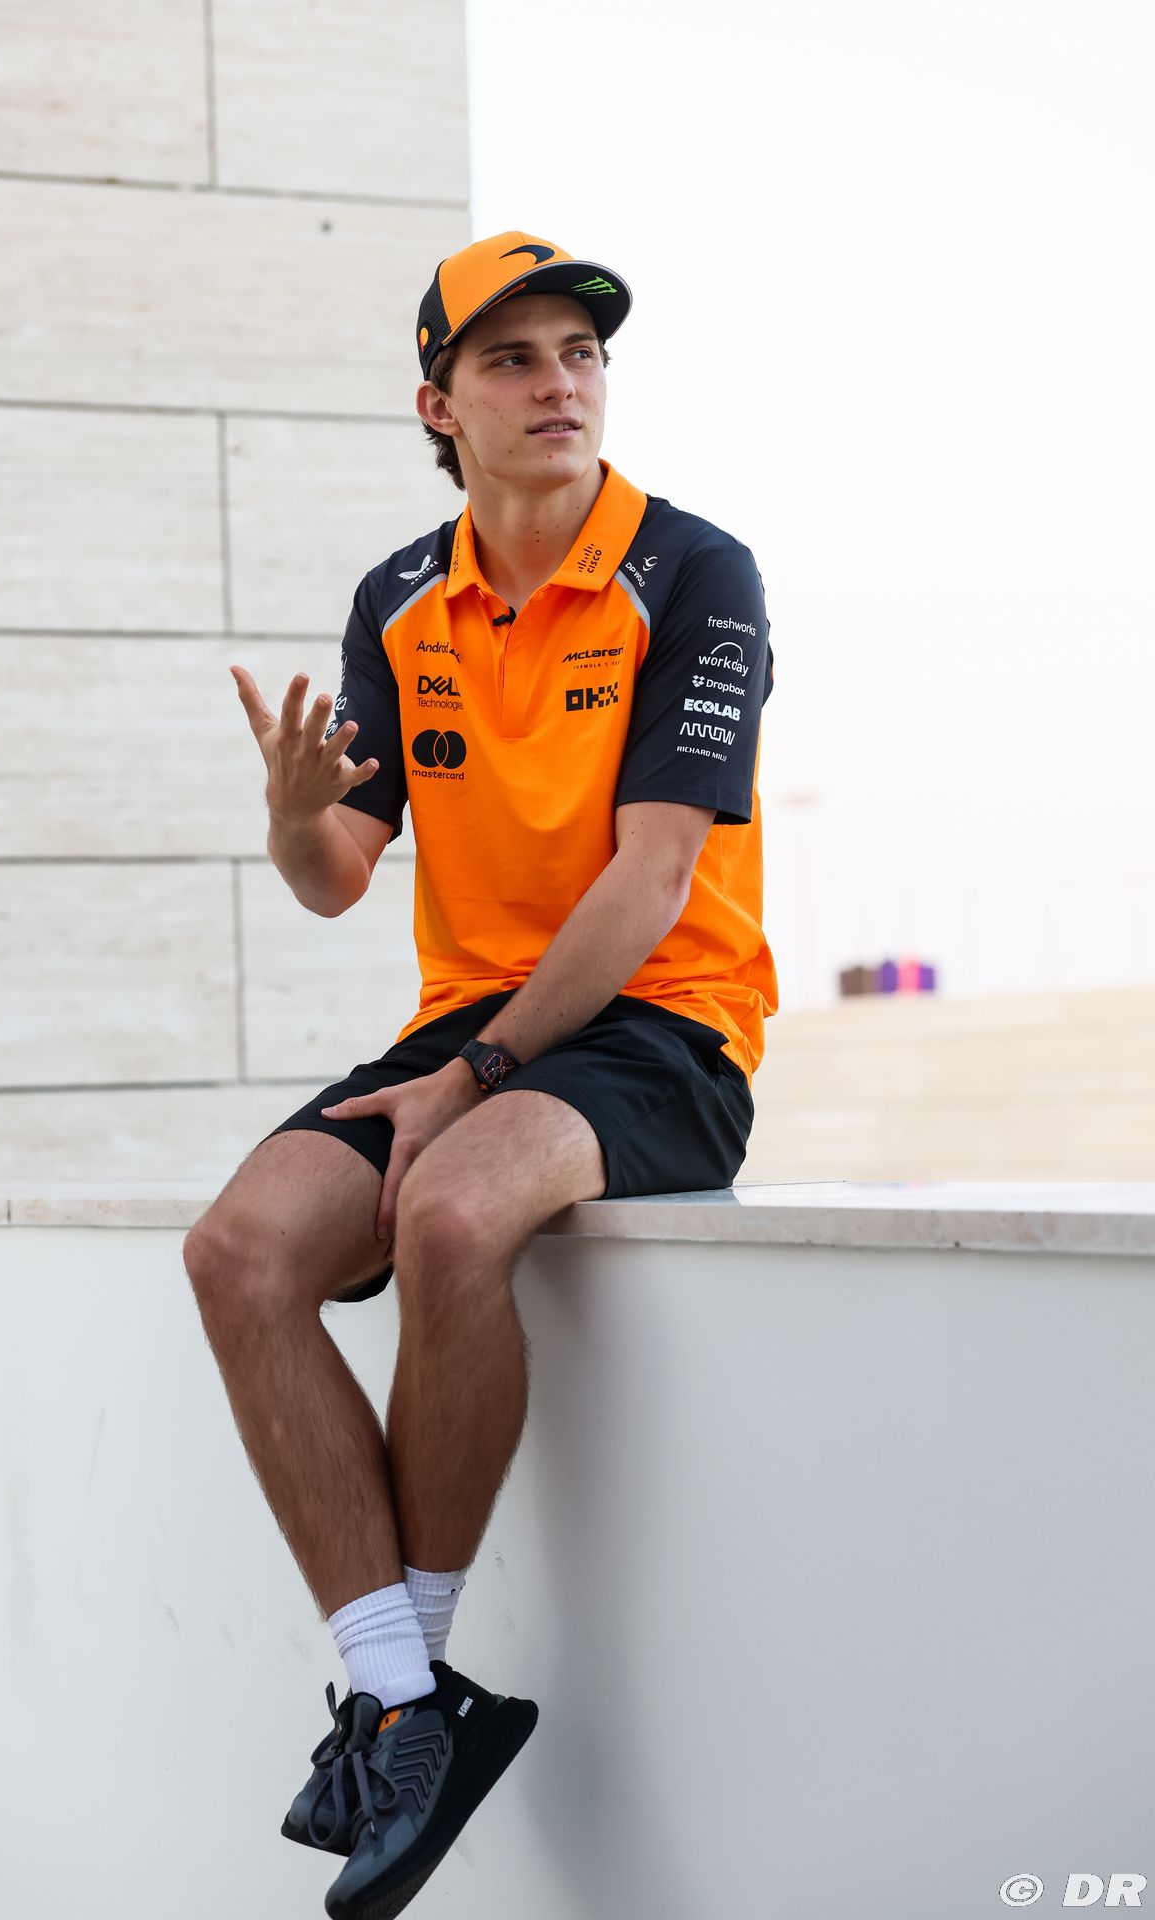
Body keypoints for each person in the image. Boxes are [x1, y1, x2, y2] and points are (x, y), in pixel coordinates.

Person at [184, 228, 778, 1920]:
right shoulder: (399, 596)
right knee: (237, 1253)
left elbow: (653, 880)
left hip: (666, 1022)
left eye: (581, 353)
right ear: (437, 404)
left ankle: (400, 1703)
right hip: (473, 1025)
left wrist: (481, 1075)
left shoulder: (695, 571)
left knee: (452, 1212)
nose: (559, 383)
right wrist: (295, 817)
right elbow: (339, 877)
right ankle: (408, 1703)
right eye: (511, 358)